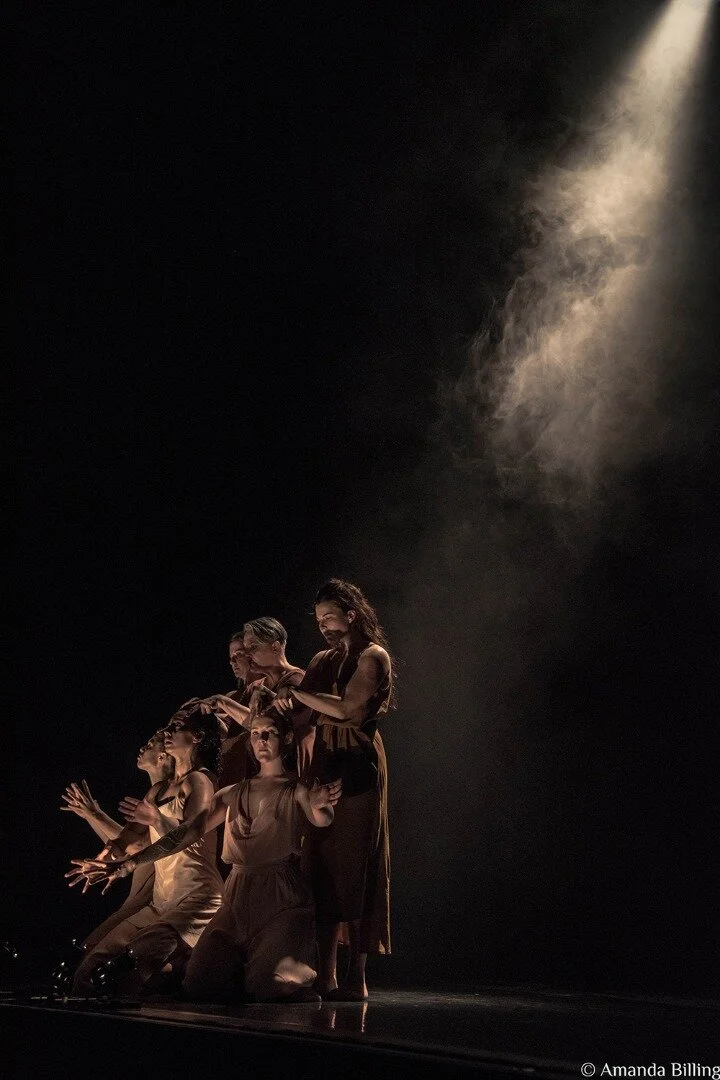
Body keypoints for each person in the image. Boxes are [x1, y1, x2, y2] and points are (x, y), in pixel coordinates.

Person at [71, 712, 341, 1003]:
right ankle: (243, 965)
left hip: (278, 893)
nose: (261, 739)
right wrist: (127, 862)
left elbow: (321, 817)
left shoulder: (296, 789)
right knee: (199, 984)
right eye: (255, 733)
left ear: (286, 738)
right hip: (238, 891)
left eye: (270, 732)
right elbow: (187, 832)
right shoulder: (231, 793)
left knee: (267, 986)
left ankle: (293, 970)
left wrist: (318, 804)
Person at [274, 579, 393, 1001]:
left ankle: (357, 976)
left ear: (351, 614)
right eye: (319, 620)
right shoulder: (322, 659)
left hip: (357, 763)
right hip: (325, 761)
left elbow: (348, 710)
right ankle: (326, 975)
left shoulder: (373, 656)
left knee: (355, 868)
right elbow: (298, 707)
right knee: (320, 866)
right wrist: (280, 696)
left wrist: (299, 694)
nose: (324, 626)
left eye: (330, 617)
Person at [69, 712, 224, 995]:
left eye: (177, 727)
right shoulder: (158, 790)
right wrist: (103, 860)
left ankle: (186, 968)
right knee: (87, 971)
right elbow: (127, 839)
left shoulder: (200, 781)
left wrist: (151, 829)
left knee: (123, 973)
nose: (168, 731)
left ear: (197, 737)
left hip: (196, 899)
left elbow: (190, 833)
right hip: (161, 902)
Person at [61, 732, 174, 953]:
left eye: (150, 744)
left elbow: (137, 847)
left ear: (162, 757)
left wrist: (95, 815)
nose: (142, 748)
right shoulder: (154, 794)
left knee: (94, 953)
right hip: (139, 898)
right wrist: (92, 815)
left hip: (150, 899)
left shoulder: (166, 793)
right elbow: (124, 844)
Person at [198, 619, 306, 784]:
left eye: (252, 648)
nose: (247, 655)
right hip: (254, 777)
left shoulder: (296, 679)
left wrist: (222, 701)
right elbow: (235, 728)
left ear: (275, 647)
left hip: (286, 780)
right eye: (246, 649)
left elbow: (267, 724)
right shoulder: (254, 687)